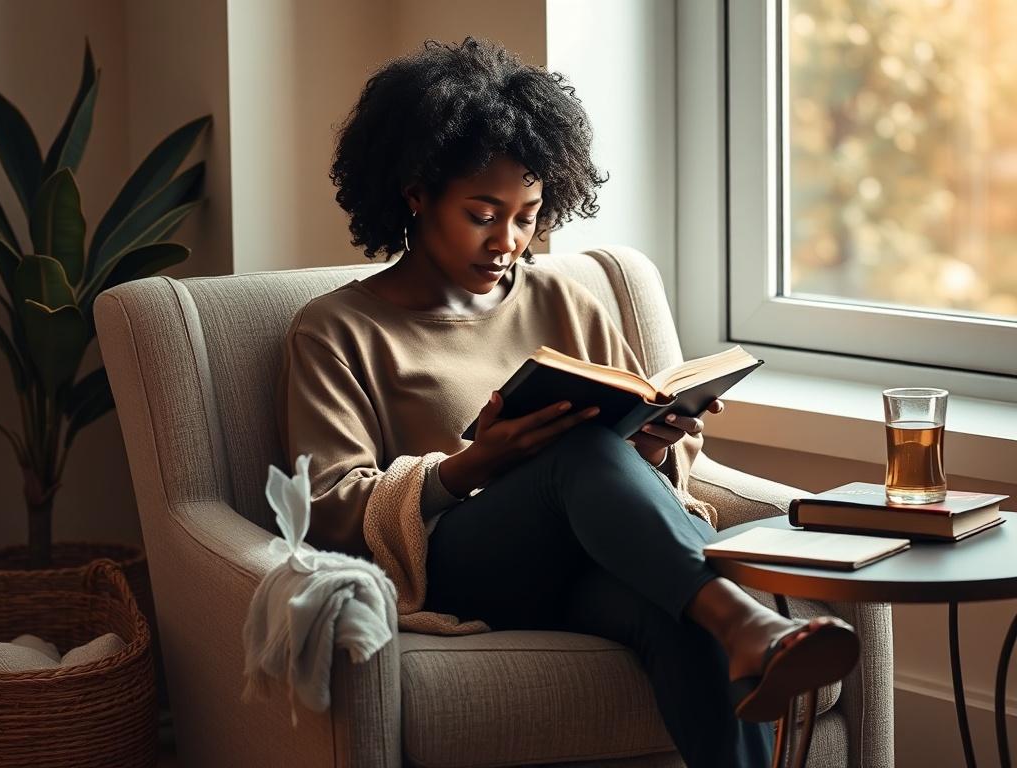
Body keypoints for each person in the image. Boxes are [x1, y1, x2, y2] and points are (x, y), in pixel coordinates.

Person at [277, 37, 860, 768]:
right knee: (577, 452)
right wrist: (469, 465)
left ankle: (732, 631)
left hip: (591, 560)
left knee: (675, 612)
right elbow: (326, 508)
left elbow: (641, 455)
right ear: (416, 193)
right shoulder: (336, 329)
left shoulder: (564, 297)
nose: (509, 242)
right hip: (460, 566)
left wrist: (654, 440)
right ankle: (742, 616)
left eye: (527, 215)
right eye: (483, 214)